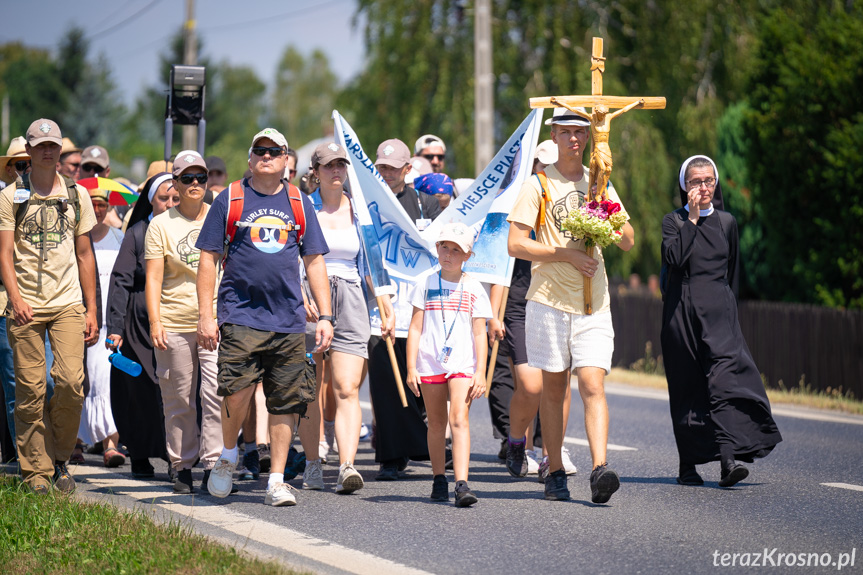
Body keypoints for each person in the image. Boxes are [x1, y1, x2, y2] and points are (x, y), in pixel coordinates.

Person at [195, 128, 333, 507]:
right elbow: (207, 258)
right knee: (236, 392)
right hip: (240, 314)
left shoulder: (299, 202)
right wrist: (206, 315)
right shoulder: (231, 199)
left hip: (288, 320)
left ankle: (276, 479)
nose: (267, 156)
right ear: (251, 157)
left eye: (275, 151)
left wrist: (325, 315)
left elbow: (315, 259)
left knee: (285, 402)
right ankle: (227, 456)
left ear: (287, 159)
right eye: (261, 150)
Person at [507, 106, 635, 503]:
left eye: (580, 132)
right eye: (566, 132)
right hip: (548, 301)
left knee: (593, 383)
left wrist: (606, 215)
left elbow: (629, 239)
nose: (574, 139)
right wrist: (564, 254)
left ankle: (600, 469)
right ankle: (556, 470)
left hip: (593, 302)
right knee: (555, 385)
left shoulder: (600, 184)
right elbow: (515, 243)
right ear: (555, 137)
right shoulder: (539, 184)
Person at [661, 155, 782, 487]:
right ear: (685, 186)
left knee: (724, 384)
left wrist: (730, 313)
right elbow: (675, 259)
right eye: (697, 181)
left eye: (709, 181)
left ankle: (728, 462)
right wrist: (694, 218)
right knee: (687, 387)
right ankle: (688, 465)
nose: (704, 187)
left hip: (718, 312)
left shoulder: (728, 223)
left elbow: (732, 274)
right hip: (681, 313)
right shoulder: (673, 222)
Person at [0, 118, 99, 493]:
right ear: (28, 150)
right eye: (40, 145)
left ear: (60, 150)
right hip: (25, 303)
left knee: (71, 383)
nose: (46, 151)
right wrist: (16, 298)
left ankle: (60, 460)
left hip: (67, 303)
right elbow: (4, 256)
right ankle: (36, 472)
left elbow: (85, 255)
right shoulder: (10, 196)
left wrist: (92, 309)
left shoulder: (77, 196)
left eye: (53, 145)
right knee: (31, 387)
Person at [307, 142, 395, 493]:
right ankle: (313, 462)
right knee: (309, 389)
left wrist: (385, 304)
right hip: (311, 298)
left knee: (346, 387)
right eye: (328, 166)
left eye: (341, 164)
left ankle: (346, 465)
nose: (336, 171)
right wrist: (301, 296)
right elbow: (291, 257)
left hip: (353, 297)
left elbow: (373, 262)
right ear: (315, 171)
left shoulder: (360, 211)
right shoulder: (303, 208)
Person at [144, 150, 221, 494]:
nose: (194, 184)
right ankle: (181, 465)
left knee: (217, 392)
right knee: (179, 398)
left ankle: (216, 464)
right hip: (174, 322)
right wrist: (155, 323)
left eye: (200, 177)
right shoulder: (160, 224)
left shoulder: (219, 215)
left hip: (214, 321)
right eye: (186, 178)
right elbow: (154, 280)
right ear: (174, 183)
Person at [368, 138, 440, 481]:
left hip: (419, 308)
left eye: (393, 169)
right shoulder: (366, 203)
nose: (386, 174)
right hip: (380, 307)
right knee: (385, 383)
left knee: (423, 381)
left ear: (407, 169)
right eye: (380, 167)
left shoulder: (426, 204)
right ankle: (392, 456)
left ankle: (428, 442)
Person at [406, 222, 490, 506]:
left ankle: (462, 483)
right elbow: (415, 328)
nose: (449, 255)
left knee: (458, 418)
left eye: (456, 250)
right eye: (444, 247)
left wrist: (481, 371)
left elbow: (480, 332)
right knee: (436, 423)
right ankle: (439, 478)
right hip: (430, 361)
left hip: (463, 363)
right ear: (437, 248)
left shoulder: (474, 288)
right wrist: (410, 367)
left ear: (467, 255)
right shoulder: (425, 283)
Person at [106, 173, 176, 479]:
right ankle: (138, 452)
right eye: (164, 198)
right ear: (151, 201)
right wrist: (115, 326)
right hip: (138, 322)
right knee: (138, 391)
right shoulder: (137, 232)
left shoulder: (186, 231)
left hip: (175, 314)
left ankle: (178, 456)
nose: (171, 203)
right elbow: (120, 280)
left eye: (176, 198)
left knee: (175, 388)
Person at [79, 185, 125, 468]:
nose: (97, 210)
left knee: (109, 383)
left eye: (102, 204)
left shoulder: (119, 237)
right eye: (92, 204)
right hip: (82, 320)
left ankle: (111, 444)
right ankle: (75, 442)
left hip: (113, 323)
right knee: (81, 381)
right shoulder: (77, 238)